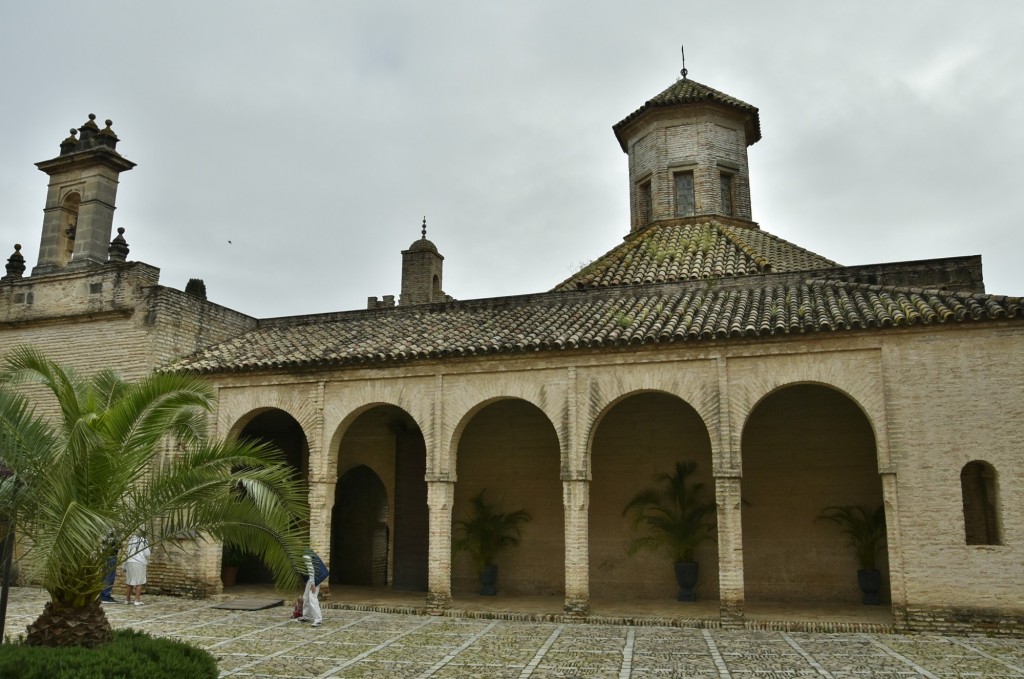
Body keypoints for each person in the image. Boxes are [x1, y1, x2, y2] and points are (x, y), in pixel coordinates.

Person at [124, 531, 150, 606]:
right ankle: (137, 600)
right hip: (139, 562)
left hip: (129, 562)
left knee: (130, 581)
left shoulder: (130, 540)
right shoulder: (143, 541)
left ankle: (127, 599)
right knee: (139, 582)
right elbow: (147, 553)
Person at [299, 554, 322, 626]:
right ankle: (306, 616)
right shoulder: (303, 556)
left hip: (315, 578)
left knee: (312, 597)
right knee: (306, 597)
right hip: (311, 578)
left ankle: (318, 619)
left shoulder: (305, 556)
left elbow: (311, 570)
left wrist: (313, 584)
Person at [100, 534, 118, 603]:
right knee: (110, 576)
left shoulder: (106, 535)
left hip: (106, 556)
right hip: (111, 556)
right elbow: (116, 546)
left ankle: (102, 595)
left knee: (105, 576)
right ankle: (105, 596)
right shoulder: (112, 536)